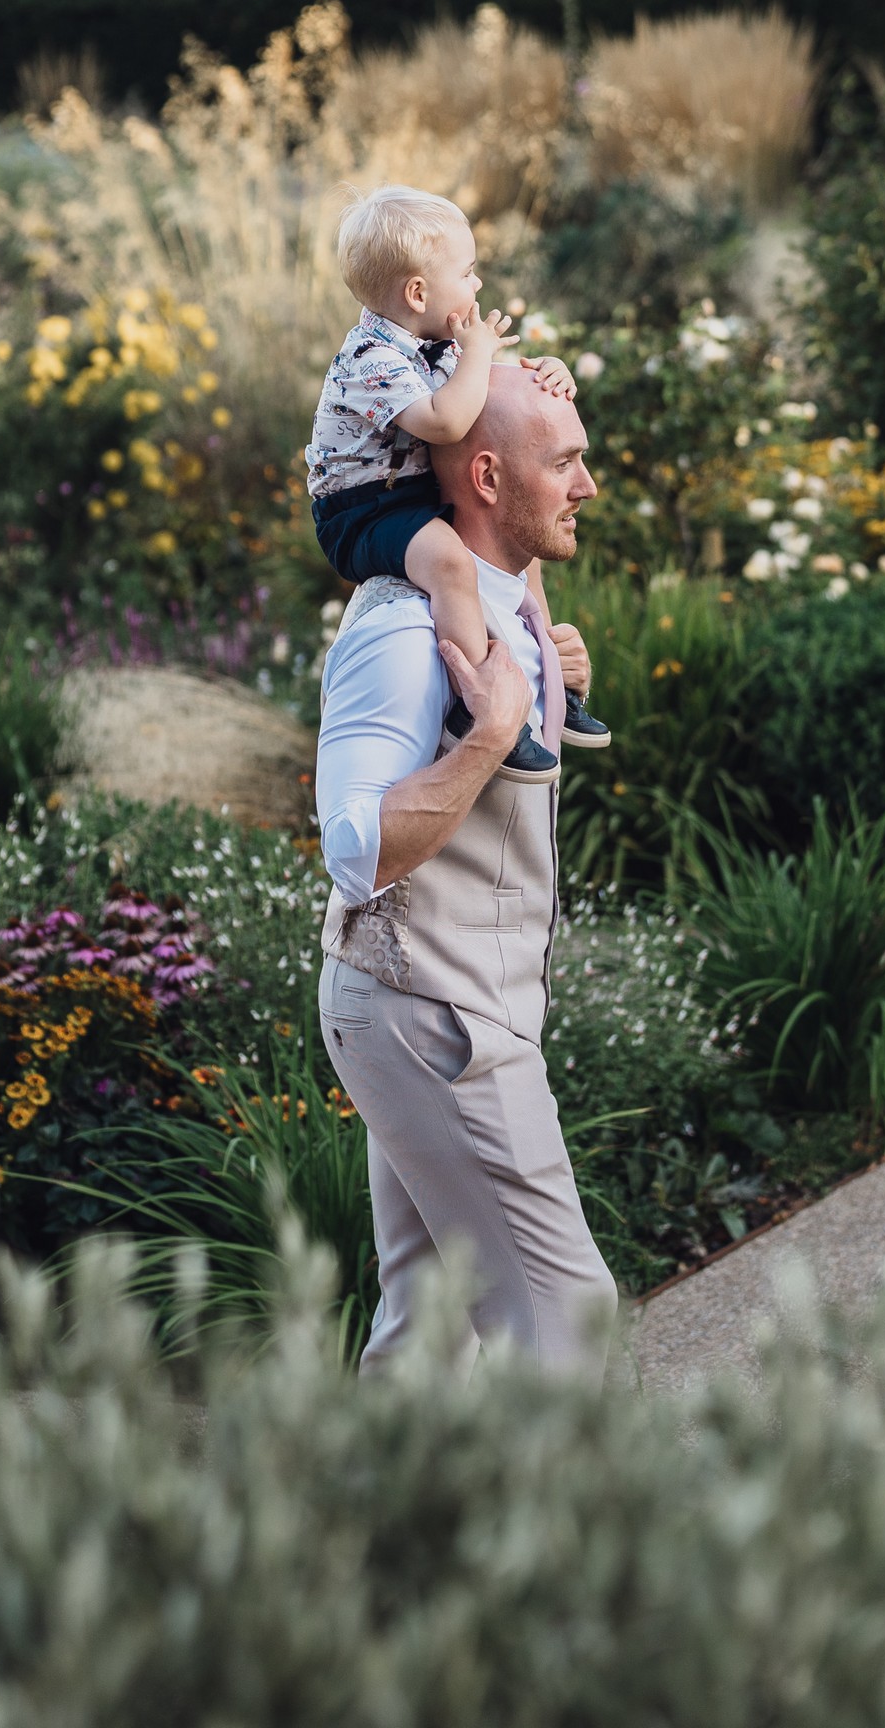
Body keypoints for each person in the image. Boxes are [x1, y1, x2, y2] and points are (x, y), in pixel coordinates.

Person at [315, 361, 619, 1378]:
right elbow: (353, 850)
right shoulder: (404, 634)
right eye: (566, 464)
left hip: (452, 1008)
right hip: (429, 1014)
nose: (589, 486)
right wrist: (487, 739)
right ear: (484, 479)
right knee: (566, 1317)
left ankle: (354, 1536)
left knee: (429, 1337)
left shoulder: (507, 597)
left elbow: (509, 553)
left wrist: (511, 360)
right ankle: (589, 1542)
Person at [307, 184, 610, 781]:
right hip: (363, 510)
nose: (476, 286)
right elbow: (446, 422)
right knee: (450, 563)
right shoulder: (369, 358)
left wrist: (545, 371)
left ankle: (552, 678)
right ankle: (480, 708)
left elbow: (492, 395)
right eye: (468, 273)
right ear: (418, 292)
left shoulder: (429, 343)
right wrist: (477, 349)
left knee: (522, 550)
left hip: (408, 492)